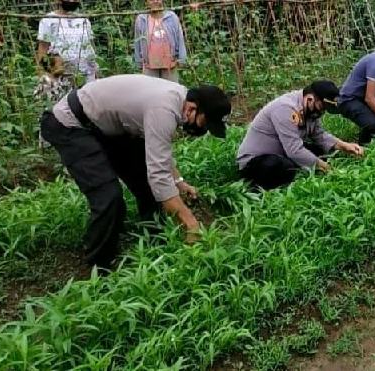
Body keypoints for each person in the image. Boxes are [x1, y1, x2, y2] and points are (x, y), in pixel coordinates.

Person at [39, 74, 231, 269]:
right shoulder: (163, 109)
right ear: (191, 108)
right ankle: (100, 266)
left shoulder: (178, 99)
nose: (204, 129)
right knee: (108, 196)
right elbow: (159, 176)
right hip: (70, 124)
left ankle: (156, 238)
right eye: (205, 123)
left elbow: (158, 155)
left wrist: (179, 181)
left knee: (147, 183)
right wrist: (190, 222)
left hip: (104, 125)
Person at [236, 80, 365, 190]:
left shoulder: (310, 108)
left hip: (282, 151)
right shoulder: (285, 108)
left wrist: (344, 146)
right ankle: (260, 187)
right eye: (322, 107)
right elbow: (294, 150)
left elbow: (319, 135)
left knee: (320, 151)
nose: (322, 112)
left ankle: (299, 169)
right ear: (310, 99)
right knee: (284, 167)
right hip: (256, 162)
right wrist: (327, 168)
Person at [34, 0, 98, 101]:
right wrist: (43, 73)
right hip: (60, 73)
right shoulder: (49, 20)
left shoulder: (83, 20)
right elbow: (43, 48)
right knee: (60, 106)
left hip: (86, 73)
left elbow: (90, 46)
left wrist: (95, 71)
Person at [133, 0, 188, 82]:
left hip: (170, 64)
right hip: (149, 66)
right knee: (152, 91)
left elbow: (179, 38)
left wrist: (181, 58)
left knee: (170, 91)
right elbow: (138, 41)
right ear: (146, 2)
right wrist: (139, 61)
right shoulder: (141, 19)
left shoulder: (172, 17)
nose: (155, 1)